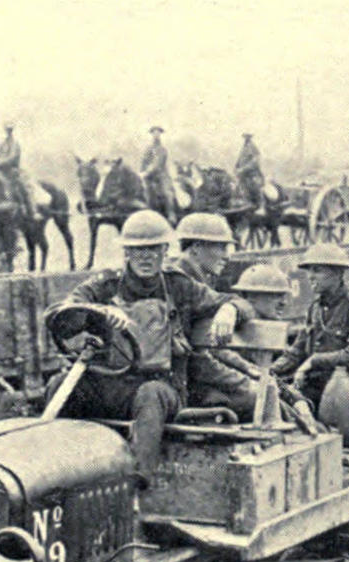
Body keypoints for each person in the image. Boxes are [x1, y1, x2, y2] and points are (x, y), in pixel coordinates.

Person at [43, 210, 254, 476]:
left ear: (165, 250)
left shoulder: (178, 286)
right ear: (126, 252)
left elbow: (240, 303)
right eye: (137, 250)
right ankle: (58, 471)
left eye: (153, 249)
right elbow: (60, 312)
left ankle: (137, 480)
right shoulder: (105, 285)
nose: (145, 257)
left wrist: (229, 311)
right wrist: (98, 311)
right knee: (59, 384)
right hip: (111, 383)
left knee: (150, 394)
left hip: (163, 386)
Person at [168, 212, 260, 417]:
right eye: (221, 247)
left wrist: (230, 309)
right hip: (182, 387)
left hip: (190, 380)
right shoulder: (180, 283)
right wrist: (244, 383)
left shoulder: (196, 280)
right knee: (260, 398)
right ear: (196, 247)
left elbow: (242, 306)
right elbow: (198, 361)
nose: (227, 256)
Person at [272, 242, 349, 408]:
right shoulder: (315, 308)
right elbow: (297, 350)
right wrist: (270, 371)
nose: (310, 276)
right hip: (316, 388)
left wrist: (315, 361)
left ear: (337, 273)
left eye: (317, 270)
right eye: (309, 271)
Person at [0, 122, 37, 221]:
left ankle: (32, 211)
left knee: (24, 187)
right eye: (7, 130)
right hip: (1, 170)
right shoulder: (2, 144)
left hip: (12, 169)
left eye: (10, 130)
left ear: (12, 131)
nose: (8, 132)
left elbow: (13, 157)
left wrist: (1, 162)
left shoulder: (15, 144)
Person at [141, 126, 178, 224]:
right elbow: (144, 161)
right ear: (151, 134)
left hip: (161, 175)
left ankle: (171, 214)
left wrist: (148, 171)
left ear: (160, 135)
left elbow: (158, 163)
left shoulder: (162, 149)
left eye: (158, 133)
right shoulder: (148, 149)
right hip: (149, 176)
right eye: (154, 133)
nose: (156, 135)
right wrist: (141, 172)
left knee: (167, 192)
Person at [235, 133, 264, 210]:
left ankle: (260, 206)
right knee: (239, 188)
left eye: (248, 137)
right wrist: (236, 167)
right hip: (243, 174)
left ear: (250, 137)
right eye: (245, 137)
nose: (246, 138)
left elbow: (255, 162)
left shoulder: (253, 147)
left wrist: (243, 169)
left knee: (254, 187)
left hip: (251, 173)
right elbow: (240, 160)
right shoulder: (243, 147)